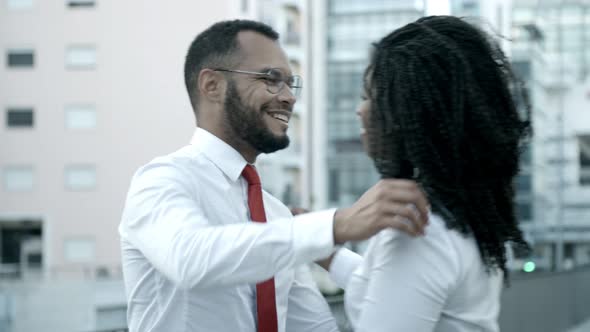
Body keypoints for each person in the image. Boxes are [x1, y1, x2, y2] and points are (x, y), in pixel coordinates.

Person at [118, 19, 429, 332]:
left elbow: (316, 327)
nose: (289, 97)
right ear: (212, 85)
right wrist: (336, 224)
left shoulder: (277, 217)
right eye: (271, 79)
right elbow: (189, 258)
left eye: (290, 83)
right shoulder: (161, 180)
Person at [335, 16, 531, 331]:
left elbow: (403, 279)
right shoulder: (460, 211)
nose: (361, 110)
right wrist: (321, 247)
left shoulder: (421, 231)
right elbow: (391, 287)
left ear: (408, 113)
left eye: (369, 96)